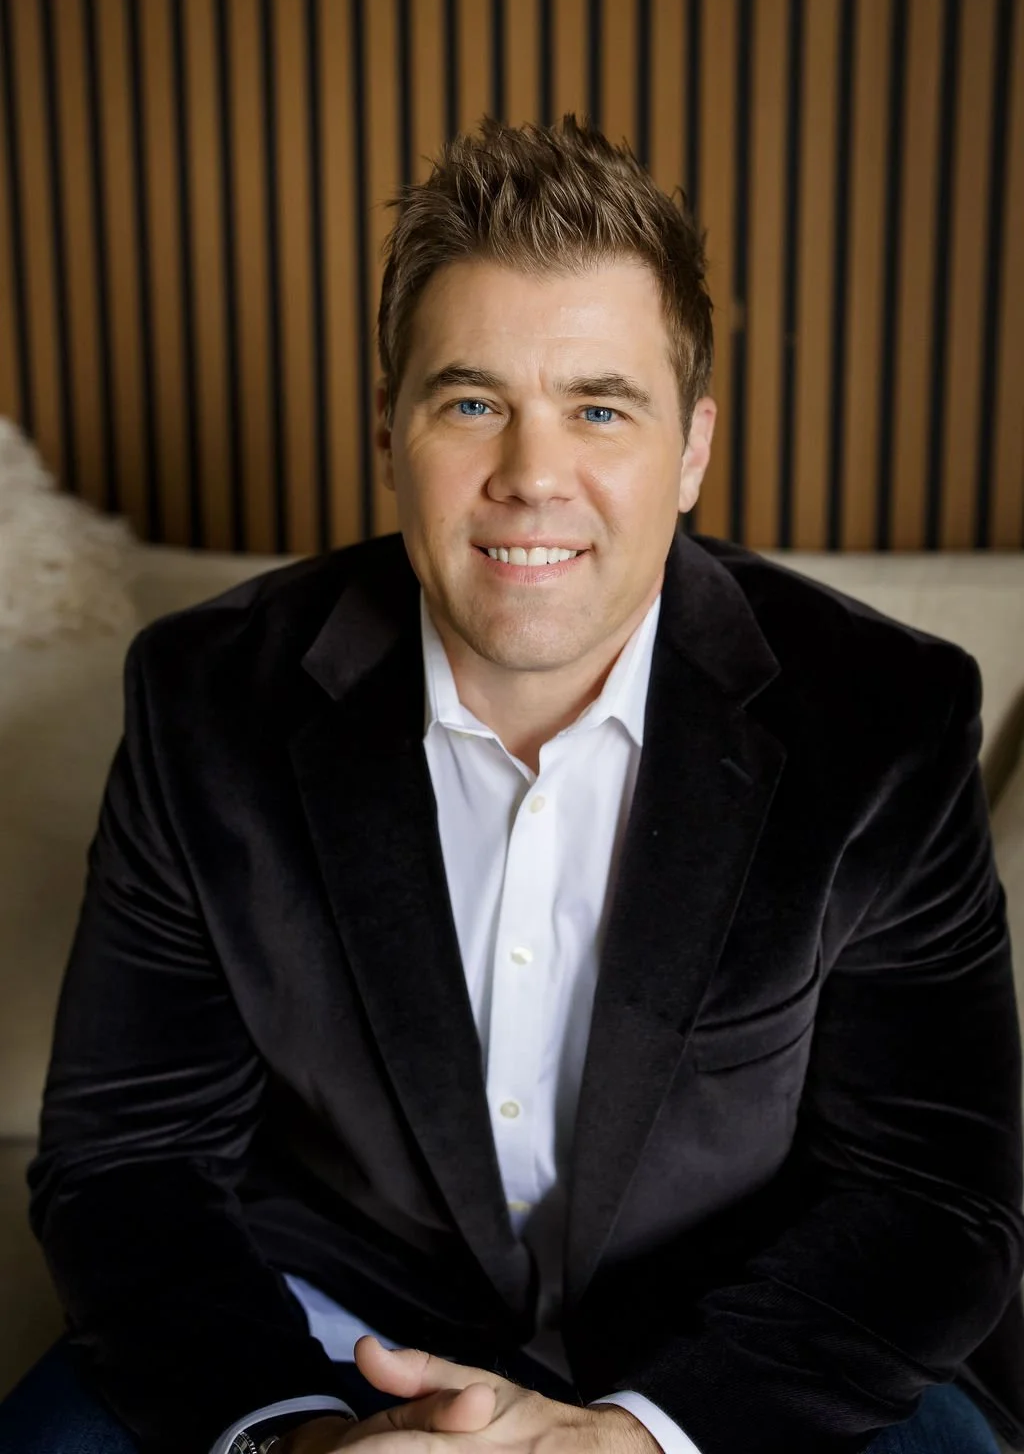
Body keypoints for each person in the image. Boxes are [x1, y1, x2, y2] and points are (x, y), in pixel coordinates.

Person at [1, 116, 1022, 1454]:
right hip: (334, 1333)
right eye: (472, 401)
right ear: (389, 432)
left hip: (738, 1358)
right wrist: (302, 1434)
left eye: (600, 407)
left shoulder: (882, 719)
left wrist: (638, 1435)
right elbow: (129, 1163)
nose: (533, 476)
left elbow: (934, 1194)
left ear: (694, 447)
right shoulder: (208, 704)